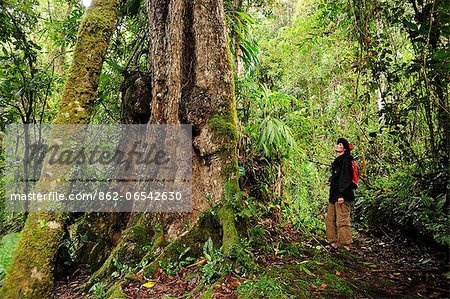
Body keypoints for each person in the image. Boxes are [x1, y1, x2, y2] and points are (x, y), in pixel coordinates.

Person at [326, 137, 355, 251]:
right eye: (337, 144)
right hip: (333, 195)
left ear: (344, 148)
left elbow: (346, 179)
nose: (337, 146)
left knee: (342, 220)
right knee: (330, 218)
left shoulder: (346, 160)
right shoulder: (338, 161)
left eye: (340, 144)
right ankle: (333, 242)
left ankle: (345, 245)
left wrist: (341, 195)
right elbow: (338, 177)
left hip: (341, 196)